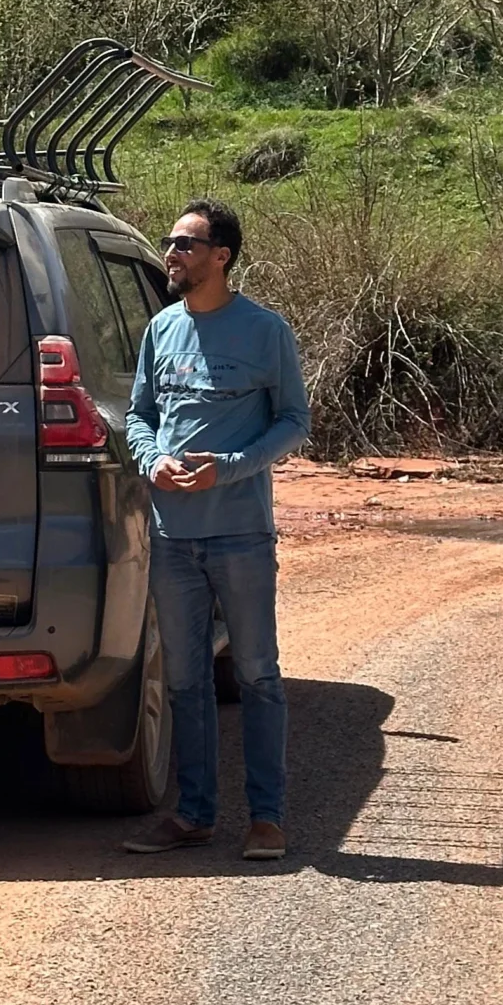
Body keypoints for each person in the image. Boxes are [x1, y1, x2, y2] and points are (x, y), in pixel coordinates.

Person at [123, 198, 310, 859]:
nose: (170, 253)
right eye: (170, 242)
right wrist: (152, 459)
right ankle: (193, 814)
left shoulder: (265, 333)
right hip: (172, 537)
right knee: (183, 679)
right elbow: (139, 415)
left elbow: (294, 421)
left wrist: (229, 467)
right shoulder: (160, 330)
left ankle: (267, 819)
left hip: (240, 536)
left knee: (257, 674)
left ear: (220, 255)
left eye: (183, 243)